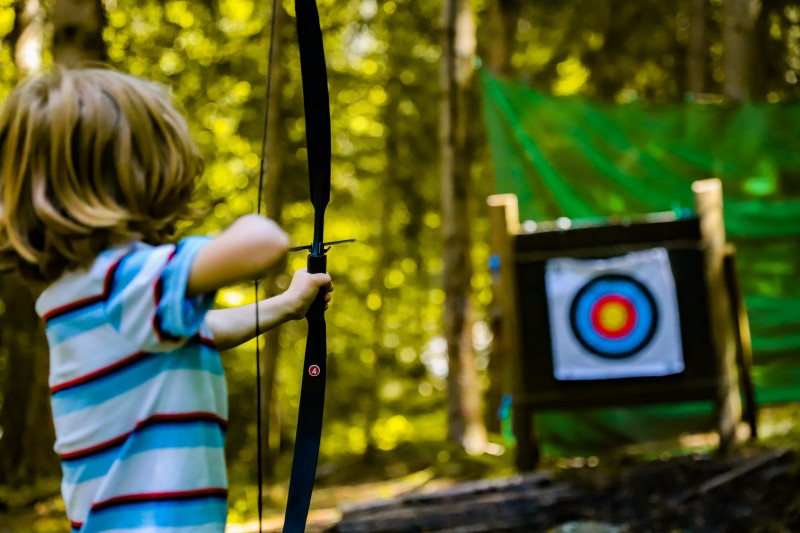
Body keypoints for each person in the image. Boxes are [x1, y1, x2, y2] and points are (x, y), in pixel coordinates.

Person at [0, 68, 332, 532]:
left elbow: (200, 333)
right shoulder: (124, 278)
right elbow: (266, 243)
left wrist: (286, 304)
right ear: (136, 173)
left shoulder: (82, 294)